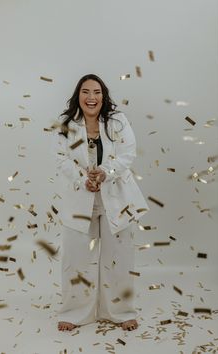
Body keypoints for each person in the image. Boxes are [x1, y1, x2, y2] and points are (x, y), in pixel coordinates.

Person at [52, 74, 149, 332]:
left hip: (117, 198)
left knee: (119, 257)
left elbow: (128, 152)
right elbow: (62, 159)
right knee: (75, 258)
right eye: (85, 92)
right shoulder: (66, 124)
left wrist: (106, 172)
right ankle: (74, 313)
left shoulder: (117, 121)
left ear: (103, 96)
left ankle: (120, 312)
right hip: (80, 198)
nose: (91, 97)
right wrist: (82, 178)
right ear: (78, 96)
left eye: (96, 92)